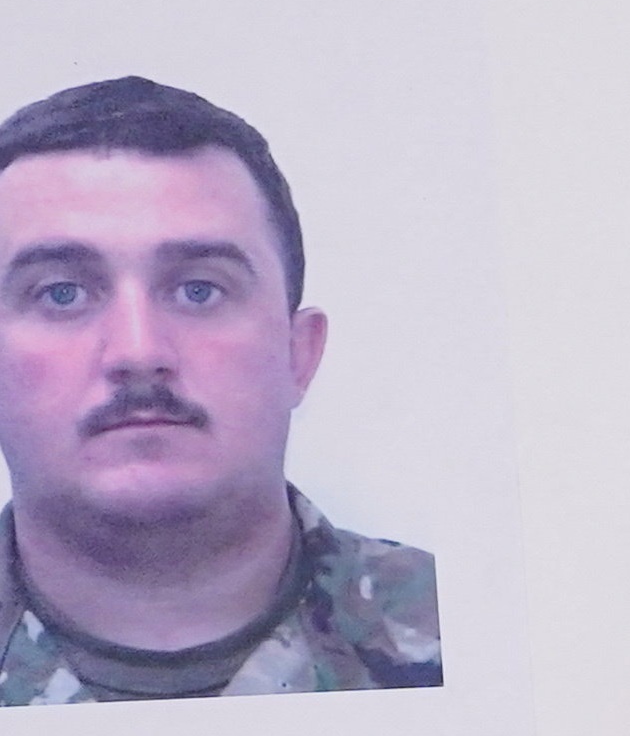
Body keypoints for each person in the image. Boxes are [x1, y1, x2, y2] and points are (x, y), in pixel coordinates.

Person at [0, 76, 439, 704]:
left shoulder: (489, 633)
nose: (138, 353)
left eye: (198, 290)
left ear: (299, 354)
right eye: (61, 293)